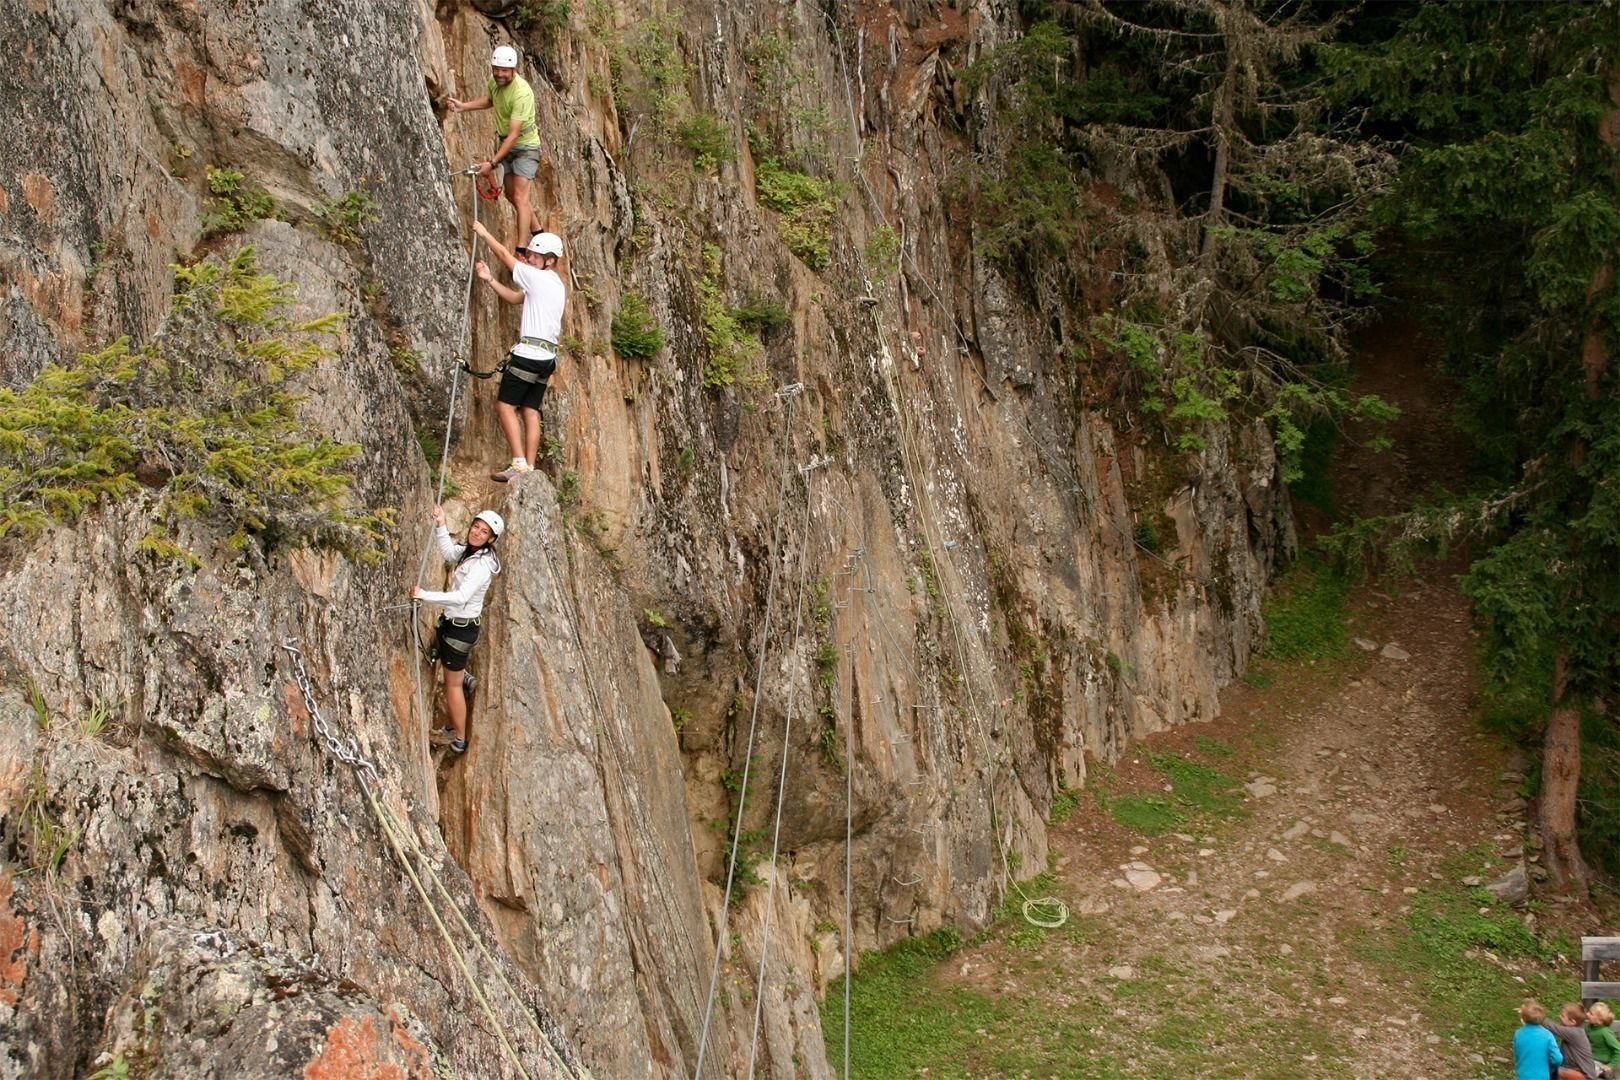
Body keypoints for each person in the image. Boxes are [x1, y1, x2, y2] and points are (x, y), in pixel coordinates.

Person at [471, 218, 566, 482]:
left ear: (549, 260)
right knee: (529, 410)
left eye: (535, 256)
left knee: (504, 406)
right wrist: (490, 280)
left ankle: (518, 464)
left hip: (529, 355)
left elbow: (503, 254)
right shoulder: (554, 284)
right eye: (530, 255)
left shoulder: (537, 277)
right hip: (547, 358)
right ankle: (530, 466)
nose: (530, 259)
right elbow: (515, 298)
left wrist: (484, 232)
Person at [411, 505, 504, 754]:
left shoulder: (482, 565)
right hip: (456, 626)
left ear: (491, 539)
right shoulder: (471, 552)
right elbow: (450, 553)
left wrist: (424, 596)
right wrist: (442, 523)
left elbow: (461, 597)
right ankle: (465, 677)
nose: (476, 532)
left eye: (483, 532)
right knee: (452, 671)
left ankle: (459, 737)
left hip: (459, 631)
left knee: (452, 685)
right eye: (476, 526)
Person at [447, 45, 544, 254]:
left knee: (519, 197)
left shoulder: (522, 93)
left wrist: (492, 163)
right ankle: (539, 232)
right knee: (512, 195)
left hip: (525, 147)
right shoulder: (495, 82)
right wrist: (463, 106)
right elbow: (490, 101)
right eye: (496, 69)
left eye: (504, 70)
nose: (499, 74)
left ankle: (520, 250)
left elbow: (514, 134)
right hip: (507, 144)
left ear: (514, 69)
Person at [1549, 1002, 1607, 1080]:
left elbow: (1554, 1027)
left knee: (1556, 1071)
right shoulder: (1574, 1031)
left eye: (1563, 1016)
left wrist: (1536, 1017)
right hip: (1574, 1070)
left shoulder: (1575, 1033)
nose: (1560, 1017)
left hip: (1585, 1076)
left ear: (1573, 1022)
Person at [1516, 1001, 1564, 1080]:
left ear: (1523, 1018)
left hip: (1523, 1075)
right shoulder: (1547, 1035)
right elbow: (1557, 1058)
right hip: (1542, 1076)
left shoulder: (1518, 1034)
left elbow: (1517, 1054)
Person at [1588, 1002, 1620, 1073]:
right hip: (1590, 1059)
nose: (1587, 1014)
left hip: (1601, 1062)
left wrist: (1610, 1065)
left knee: (1590, 1073)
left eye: (1591, 1014)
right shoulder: (1589, 1027)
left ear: (1600, 1021)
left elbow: (1618, 1049)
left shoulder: (1605, 1033)